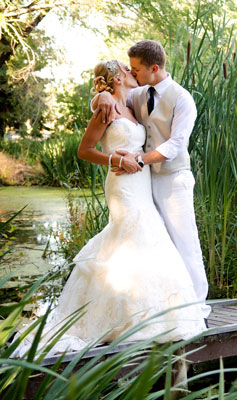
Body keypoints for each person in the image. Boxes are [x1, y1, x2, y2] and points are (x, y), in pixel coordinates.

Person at [14, 60, 207, 357]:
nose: (133, 73)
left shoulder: (130, 103)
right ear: (117, 77)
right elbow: (84, 150)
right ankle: (122, 317)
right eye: (127, 70)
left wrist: (102, 95)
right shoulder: (106, 110)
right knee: (130, 233)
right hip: (122, 184)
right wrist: (117, 160)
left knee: (147, 239)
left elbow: (126, 97)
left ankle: (147, 310)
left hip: (141, 180)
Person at [95, 41, 210, 319]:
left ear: (154, 68)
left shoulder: (182, 99)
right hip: (142, 185)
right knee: (156, 245)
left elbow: (176, 144)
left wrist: (139, 160)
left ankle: (197, 308)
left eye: (136, 69)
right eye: (130, 70)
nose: (132, 74)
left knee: (184, 243)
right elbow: (111, 98)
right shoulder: (138, 92)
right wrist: (101, 98)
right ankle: (162, 307)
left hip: (173, 180)